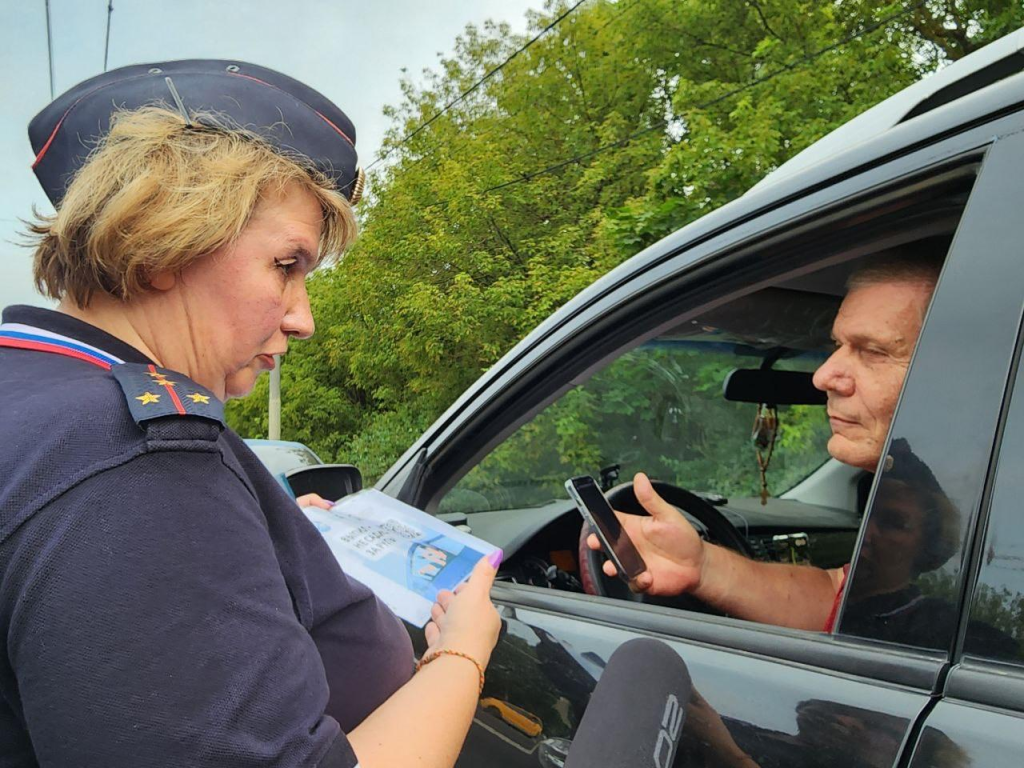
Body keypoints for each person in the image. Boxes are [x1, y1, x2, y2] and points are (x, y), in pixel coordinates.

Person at [0, 61, 500, 768]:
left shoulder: (42, 392)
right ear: (160, 245)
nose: (303, 320)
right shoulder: (135, 467)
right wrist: (461, 654)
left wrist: (272, 540)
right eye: (287, 264)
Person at [588, 248, 945, 630]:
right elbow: (838, 599)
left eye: (873, 351)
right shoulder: (944, 488)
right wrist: (703, 566)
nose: (823, 376)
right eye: (838, 346)